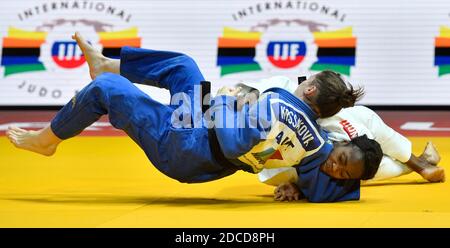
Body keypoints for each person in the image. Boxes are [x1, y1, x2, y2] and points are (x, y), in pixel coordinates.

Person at [6, 32, 381, 203]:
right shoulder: (318, 144)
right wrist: (303, 186)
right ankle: (107, 62)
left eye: (309, 80)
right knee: (184, 67)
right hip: (199, 124)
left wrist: (223, 106)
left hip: (190, 148)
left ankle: (48, 141)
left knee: (108, 91)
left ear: (311, 90)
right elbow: (338, 182)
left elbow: (235, 142)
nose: (340, 168)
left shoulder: (280, 109)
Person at [244, 76, 445, 201]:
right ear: (341, 143)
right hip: (353, 129)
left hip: (346, 154)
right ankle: (422, 164)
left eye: (344, 173)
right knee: (383, 142)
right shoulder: (331, 122)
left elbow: (334, 176)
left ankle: (422, 165)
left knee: (376, 168)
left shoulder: (347, 172)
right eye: (339, 160)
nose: (335, 169)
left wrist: (299, 188)